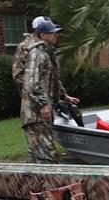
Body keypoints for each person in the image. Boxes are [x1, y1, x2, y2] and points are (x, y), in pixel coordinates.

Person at [20, 16, 79, 163]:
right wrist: (42, 104)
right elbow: (31, 82)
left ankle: (35, 183)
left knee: (39, 153)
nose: (56, 36)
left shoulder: (46, 53)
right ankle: (46, 182)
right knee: (45, 154)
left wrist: (64, 96)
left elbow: (51, 80)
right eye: (52, 33)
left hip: (41, 112)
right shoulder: (37, 54)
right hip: (35, 113)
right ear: (42, 35)